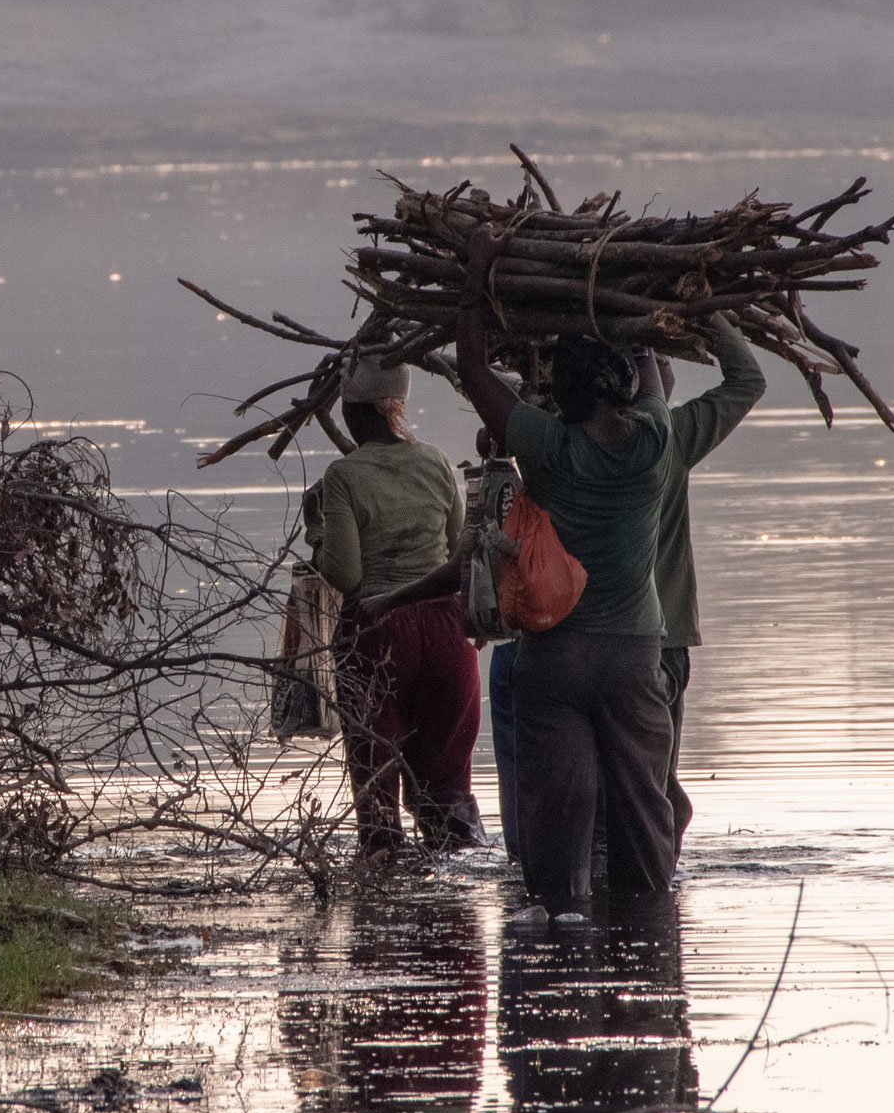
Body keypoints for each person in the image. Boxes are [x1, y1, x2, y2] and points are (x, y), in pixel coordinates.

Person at [453, 224, 674, 915]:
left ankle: (559, 935)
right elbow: (655, 374)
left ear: (561, 394)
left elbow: (473, 371)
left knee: (559, 820)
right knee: (642, 811)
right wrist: (634, 300)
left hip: (556, 653)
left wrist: (477, 276)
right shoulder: (654, 442)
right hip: (634, 653)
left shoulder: (544, 444)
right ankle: (649, 949)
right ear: (624, 390)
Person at [308, 353, 485, 862]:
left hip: (378, 635)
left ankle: (383, 895)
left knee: (379, 795)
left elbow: (344, 575)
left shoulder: (342, 476)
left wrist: (317, 529)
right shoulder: (433, 460)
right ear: (397, 410)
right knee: (448, 791)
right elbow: (458, 551)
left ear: (353, 413)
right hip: (448, 633)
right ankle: (457, 919)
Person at [652, 312, 765, 857]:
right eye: (659, 361)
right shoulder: (670, 440)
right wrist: (713, 311)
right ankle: (655, 891)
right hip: (661, 640)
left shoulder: (563, 441)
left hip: (584, 642)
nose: (669, 371)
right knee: (653, 782)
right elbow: (747, 379)